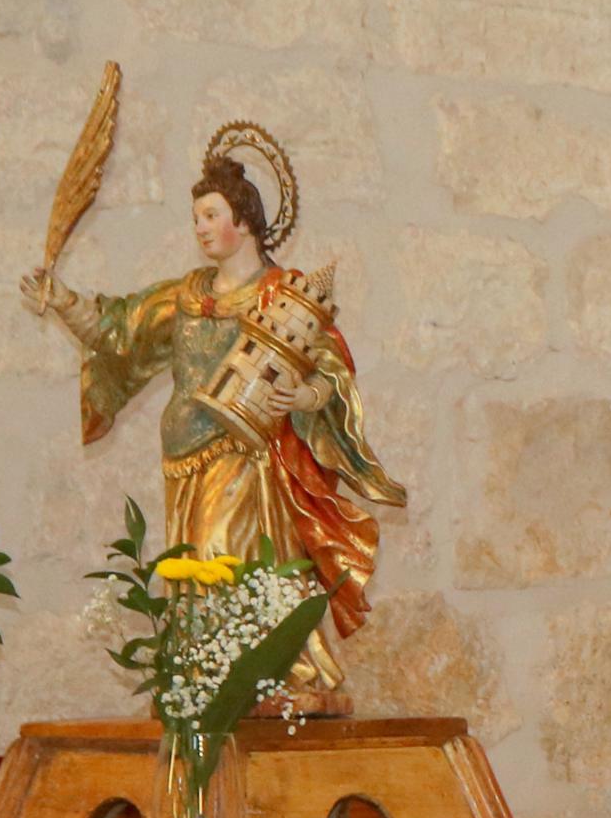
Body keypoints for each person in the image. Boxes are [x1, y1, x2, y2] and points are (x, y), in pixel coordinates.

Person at [22, 136, 403, 706]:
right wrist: (62, 299)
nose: (199, 227)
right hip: (183, 462)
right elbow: (118, 331)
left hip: (247, 460)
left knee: (231, 560)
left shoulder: (280, 294)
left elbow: (329, 363)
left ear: (244, 223)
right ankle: (207, 678)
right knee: (194, 574)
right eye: (195, 217)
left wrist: (305, 395)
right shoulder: (185, 295)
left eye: (210, 215)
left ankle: (269, 674)